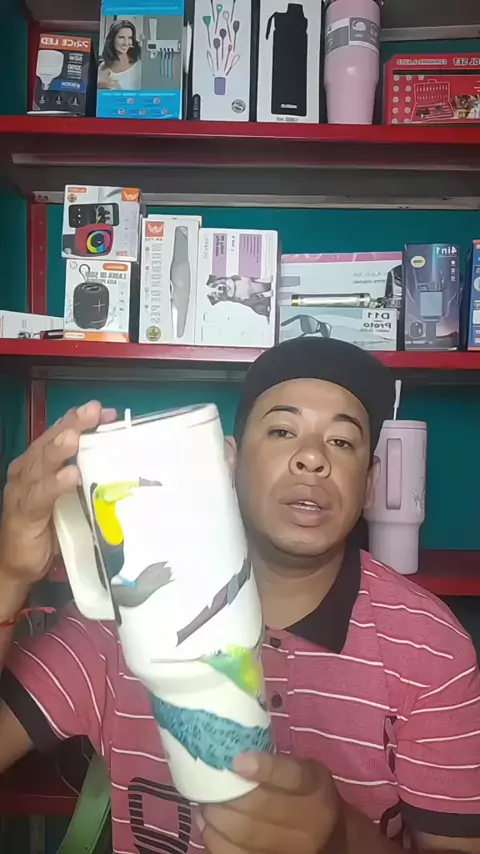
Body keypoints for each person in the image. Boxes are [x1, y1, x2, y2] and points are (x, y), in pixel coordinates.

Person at [0, 337, 479, 854]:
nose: (312, 458)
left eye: (342, 442)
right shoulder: (127, 619)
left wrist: (343, 839)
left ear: (369, 483)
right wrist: (9, 573)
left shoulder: (431, 650)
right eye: (282, 431)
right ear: (227, 461)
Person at [98, 19, 141, 91]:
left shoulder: (139, 68)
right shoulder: (102, 67)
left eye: (129, 38)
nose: (126, 43)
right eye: (121, 37)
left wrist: (118, 90)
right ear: (112, 39)